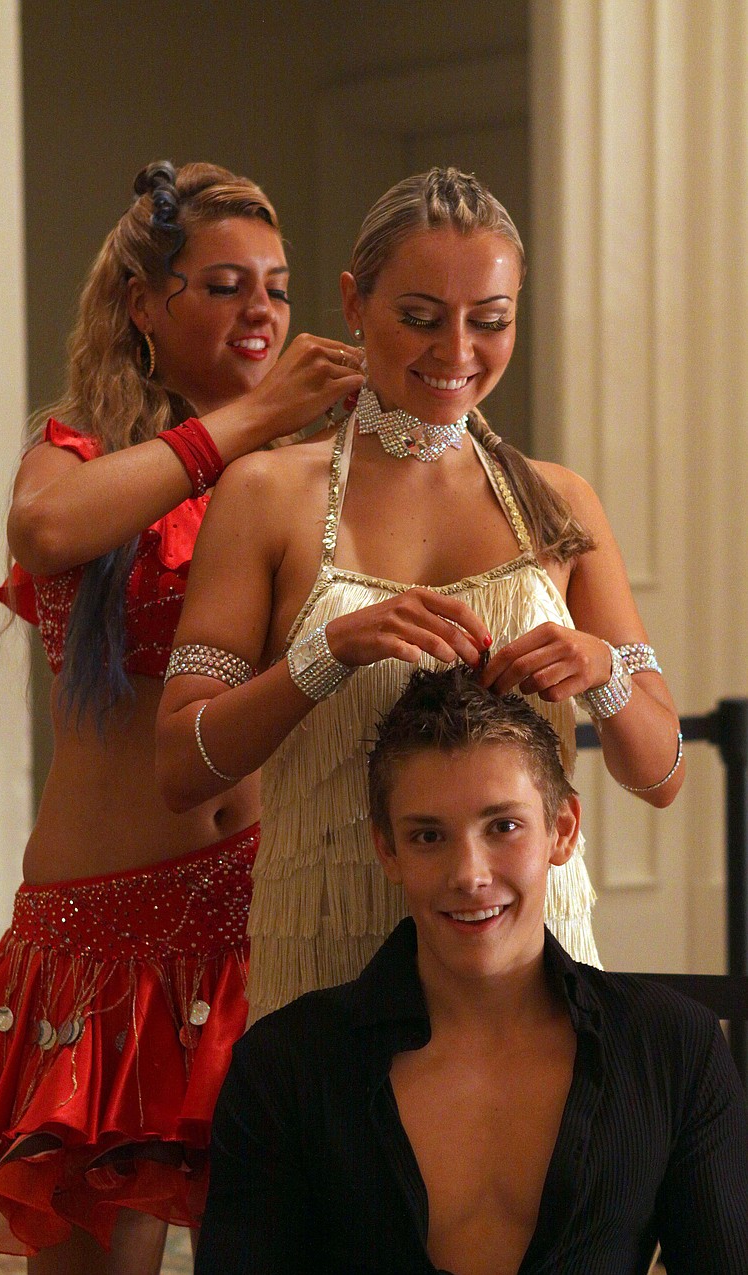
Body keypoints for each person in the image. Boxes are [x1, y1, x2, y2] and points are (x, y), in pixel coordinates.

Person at [0, 160, 363, 1272]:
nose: (260, 311)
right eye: (225, 286)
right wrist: (251, 418)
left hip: (265, 911)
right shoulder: (76, 451)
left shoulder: (303, 473)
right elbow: (48, 532)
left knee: (282, 1246)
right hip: (104, 935)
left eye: (277, 287)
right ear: (143, 303)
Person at [156, 166, 684, 1026]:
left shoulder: (561, 502)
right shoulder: (265, 494)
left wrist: (603, 671)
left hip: (532, 970)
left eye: (490, 320)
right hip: (328, 964)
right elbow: (183, 767)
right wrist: (329, 652)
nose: (457, 352)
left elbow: (661, 774)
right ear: (354, 303)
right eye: (422, 318)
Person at [196, 668, 748, 1275]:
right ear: (387, 850)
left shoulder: (674, 1048)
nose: (469, 875)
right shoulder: (286, 1065)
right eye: (429, 836)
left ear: (562, 830)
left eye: (503, 827)